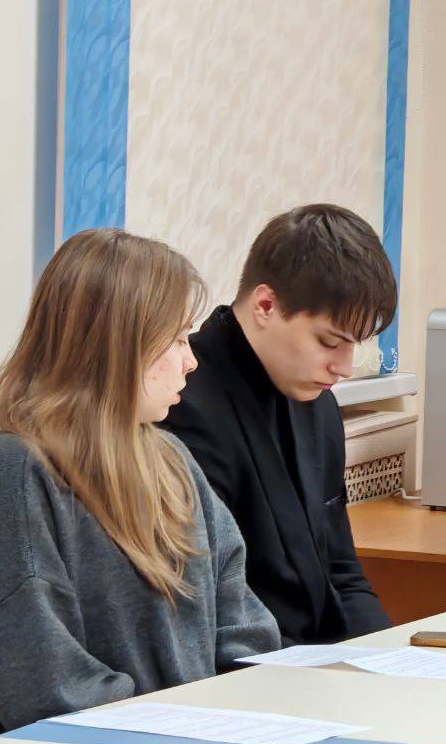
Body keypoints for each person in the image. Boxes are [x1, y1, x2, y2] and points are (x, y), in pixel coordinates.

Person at [0, 230, 279, 740]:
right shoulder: (14, 471)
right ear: (119, 345)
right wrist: (180, 728)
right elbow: (43, 680)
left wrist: (242, 711)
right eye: (177, 339)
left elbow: (244, 628)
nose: (191, 360)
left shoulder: (172, 459)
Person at [163, 204, 398, 645]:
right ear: (265, 305)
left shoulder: (318, 403)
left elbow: (342, 573)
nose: (345, 368)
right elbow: (207, 613)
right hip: (242, 666)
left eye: (355, 346)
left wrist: (385, 655)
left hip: (307, 662)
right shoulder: (180, 406)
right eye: (329, 341)